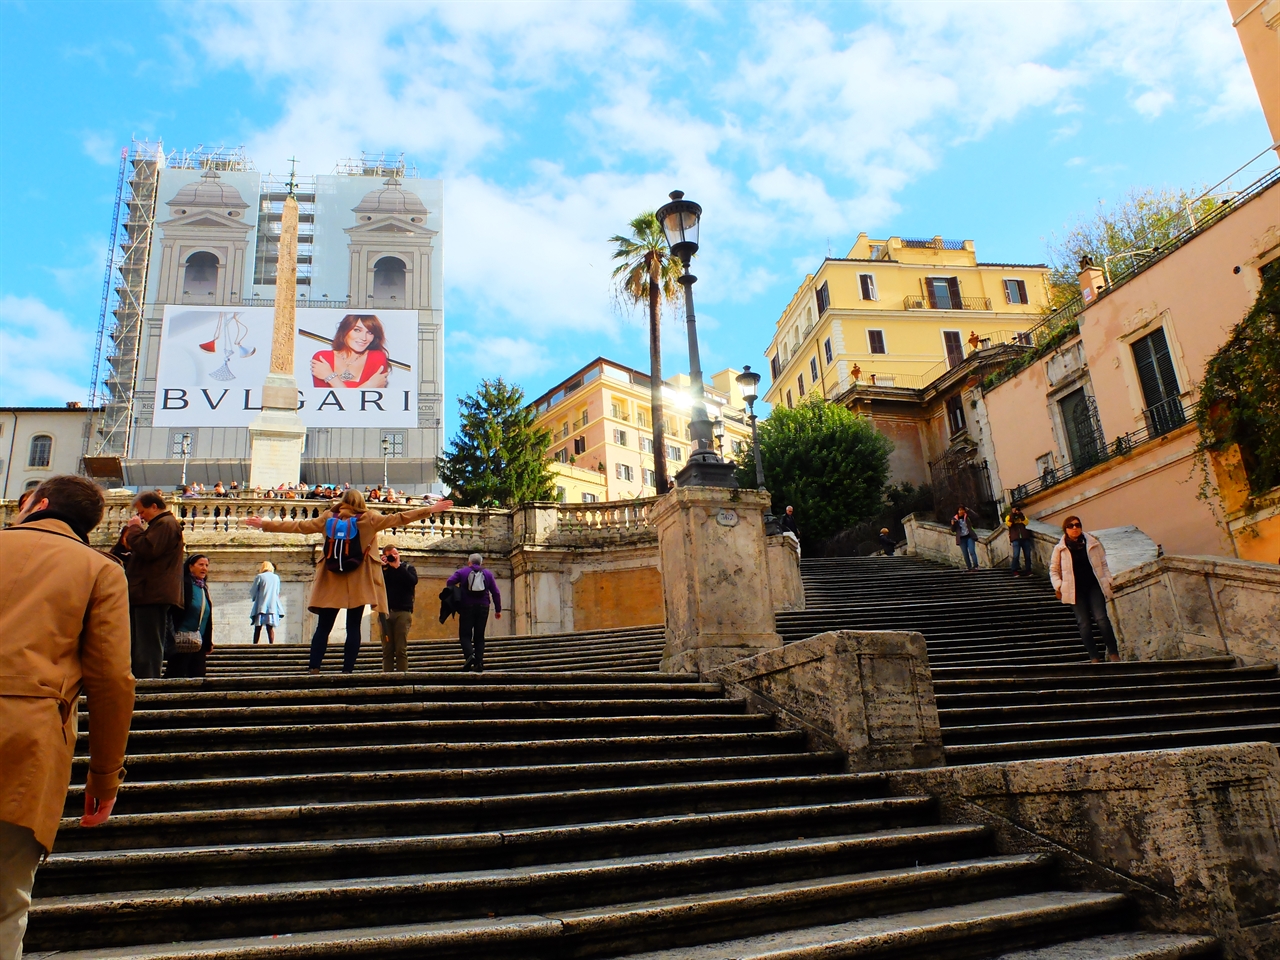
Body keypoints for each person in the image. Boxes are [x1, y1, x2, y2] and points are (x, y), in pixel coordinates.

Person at [0, 476, 134, 957]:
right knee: (4, 902)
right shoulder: (99, 569)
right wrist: (104, 777)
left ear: (40, 503)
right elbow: (112, 680)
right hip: (25, 742)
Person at [243, 489, 452, 674]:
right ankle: (347, 669)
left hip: (331, 578)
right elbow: (400, 517)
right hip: (358, 579)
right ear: (361, 502)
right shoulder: (369, 518)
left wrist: (265, 524)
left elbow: (299, 526)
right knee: (353, 626)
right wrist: (431, 509)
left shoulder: (328, 518)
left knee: (323, 627)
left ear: (343, 501)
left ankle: (314, 666)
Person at [111, 491, 185, 679]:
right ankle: (140, 678)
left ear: (154, 506)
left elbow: (148, 549)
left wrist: (135, 529)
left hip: (152, 593)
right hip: (147, 592)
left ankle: (148, 681)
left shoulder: (166, 524)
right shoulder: (160, 525)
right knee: (140, 642)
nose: (140, 517)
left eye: (142, 512)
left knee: (148, 644)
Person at [1050, 516, 1120, 663]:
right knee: (1084, 622)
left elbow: (1103, 564)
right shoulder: (1060, 548)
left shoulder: (1093, 543)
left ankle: (1114, 654)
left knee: (1101, 618)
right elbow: (1054, 570)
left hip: (1094, 586)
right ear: (1065, 529)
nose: (1074, 528)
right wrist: (1059, 586)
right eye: (1070, 525)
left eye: (1077, 525)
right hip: (1074, 590)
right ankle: (1094, 657)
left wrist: (1108, 580)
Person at [446, 554, 502, 672]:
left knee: (465, 635)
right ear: (481, 563)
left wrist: (459, 591)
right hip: (483, 606)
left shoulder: (463, 572)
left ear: (469, 562)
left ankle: (470, 655)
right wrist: (498, 610)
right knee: (479, 636)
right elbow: (496, 592)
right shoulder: (487, 574)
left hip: (467, 606)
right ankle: (479, 663)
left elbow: (450, 582)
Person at [309, 314, 390, 389]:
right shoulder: (322, 358)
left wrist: (331, 377)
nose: (364, 338)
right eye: (357, 330)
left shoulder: (377, 358)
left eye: (369, 332)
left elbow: (366, 402)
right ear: (345, 330)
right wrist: (369, 385)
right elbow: (325, 400)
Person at [166, 555, 213, 678]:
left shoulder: (202, 587)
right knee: (176, 673)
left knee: (198, 675)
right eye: (201, 564)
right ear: (190, 567)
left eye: (206, 565)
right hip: (182, 639)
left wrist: (208, 642)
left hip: (198, 641)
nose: (204, 568)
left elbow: (207, 617)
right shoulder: (184, 584)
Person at [379, 546, 418, 672]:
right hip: (385, 612)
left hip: (403, 612)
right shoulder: (383, 570)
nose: (393, 556)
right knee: (387, 649)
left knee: (401, 648)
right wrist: (381, 567)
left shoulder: (407, 568)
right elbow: (375, 583)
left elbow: (412, 581)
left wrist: (397, 567)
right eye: (389, 555)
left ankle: (402, 678)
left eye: (395, 553)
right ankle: (387, 678)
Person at [249, 561, 284, 645]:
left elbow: (253, 591)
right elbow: (277, 592)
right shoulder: (276, 578)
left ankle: (255, 644)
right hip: (272, 606)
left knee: (258, 627)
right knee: (270, 628)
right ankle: (271, 644)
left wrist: (254, 598)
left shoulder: (260, 577)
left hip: (261, 605)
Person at [951, 505, 979, 571]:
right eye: (959, 510)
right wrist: (952, 524)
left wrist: (969, 510)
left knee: (972, 551)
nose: (960, 511)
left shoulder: (967, 516)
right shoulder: (955, 519)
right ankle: (969, 567)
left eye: (962, 510)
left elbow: (976, 516)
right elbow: (953, 530)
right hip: (961, 538)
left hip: (969, 536)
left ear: (964, 510)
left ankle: (975, 566)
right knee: (965, 554)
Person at [1007, 504, 1032, 576]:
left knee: (1027, 555)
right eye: (1014, 509)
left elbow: (1026, 522)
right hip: (1015, 539)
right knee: (1016, 555)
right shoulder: (1009, 517)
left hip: (1024, 537)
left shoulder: (1022, 516)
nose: (1016, 511)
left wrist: (1021, 515)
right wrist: (1012, 515)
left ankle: (1028, 570)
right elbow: (1009, 524)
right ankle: (1014, 570)